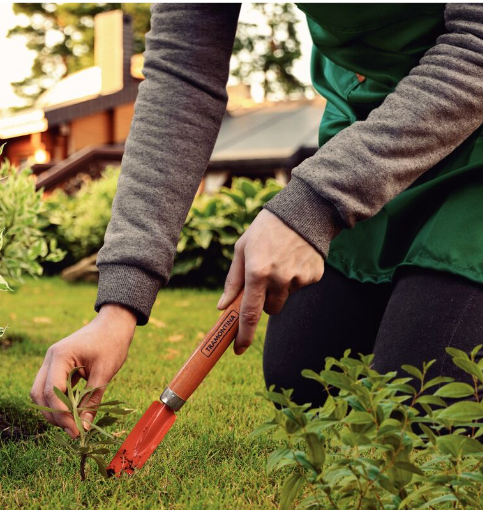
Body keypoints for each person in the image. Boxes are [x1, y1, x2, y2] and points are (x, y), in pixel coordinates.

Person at [31, 3, 483, 438]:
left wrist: (315, 203)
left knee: (424, 408)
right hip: (372, 126)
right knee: (302, 384)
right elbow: (182, 74)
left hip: (471, 117)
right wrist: (117, 310)